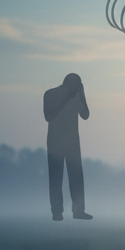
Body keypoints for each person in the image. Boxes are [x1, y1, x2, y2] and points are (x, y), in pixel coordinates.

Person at [44, 73, 92, 221]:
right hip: (55, 142)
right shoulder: (50, 93)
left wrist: (82, 95)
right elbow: (49, 116)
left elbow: (85, 115)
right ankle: (57, 213)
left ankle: (78, 211)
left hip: (72, 142)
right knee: (56, 179)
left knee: (76, 177)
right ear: (66, 84)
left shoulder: (77, 95)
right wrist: (66, 98)